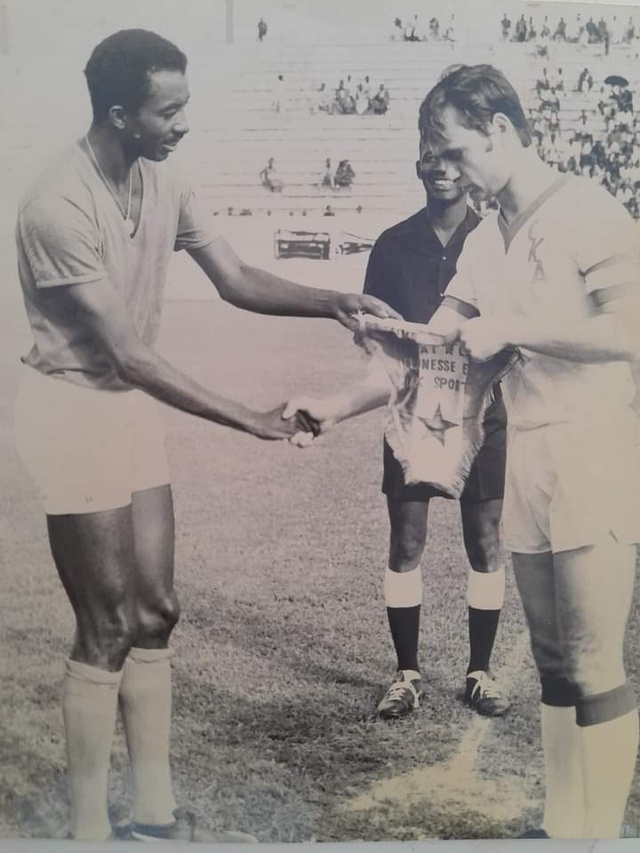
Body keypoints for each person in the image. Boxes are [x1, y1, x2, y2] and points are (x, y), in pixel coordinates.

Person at [13, 29, 397, 843]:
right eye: (169, 109)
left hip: (122, 409)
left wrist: (333, 299)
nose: (184, 122)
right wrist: (248, 418)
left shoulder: (164, 178)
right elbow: (125, 353)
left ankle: (151, 813)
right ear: (121, 115)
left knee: (157, 610)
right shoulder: (56, 202)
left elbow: (235, 279)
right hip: (71, 411)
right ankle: (87, 827)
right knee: (107, 623)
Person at [418, 64, 640, 839]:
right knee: (551, 657)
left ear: (501, 130)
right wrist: (370, 361)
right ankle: (560, 827)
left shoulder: (589, 209)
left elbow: (629, 332)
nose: (448, 168)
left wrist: (514, 327)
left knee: (592, 659)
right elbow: (444, 335)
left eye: (456, 149)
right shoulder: (486, 235)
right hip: (531, 453)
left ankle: (603, 835)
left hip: (596, 446)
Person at [284, 91, 512, 721]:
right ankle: (407, 674)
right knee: (405, 540)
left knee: (484, 539)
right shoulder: (390, 245)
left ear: (468, 164)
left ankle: (480, 671)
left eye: (448, 155)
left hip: (482, 413)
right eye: (426, 155)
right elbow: (378, 347)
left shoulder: (493, 242)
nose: (438, 166)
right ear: (416, 164)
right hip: (409, 413)